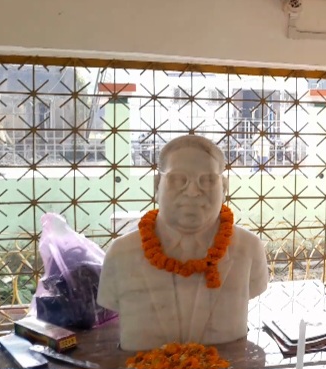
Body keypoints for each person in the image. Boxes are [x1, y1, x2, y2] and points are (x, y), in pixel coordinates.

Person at [98, 134, 269, 351]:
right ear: (157, 185)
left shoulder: (249, 249)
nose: (192, 192)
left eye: (207, 180)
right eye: (178, 179)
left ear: (224, 187)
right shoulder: (121, 254)